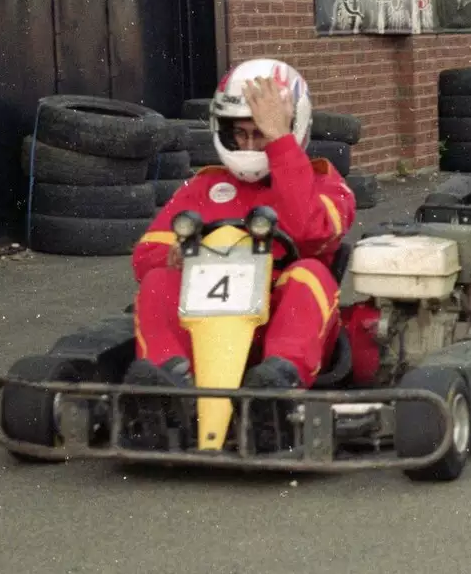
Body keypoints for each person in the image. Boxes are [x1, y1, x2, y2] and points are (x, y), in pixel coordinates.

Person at [126, 59, 356, 410]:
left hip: (279, 326)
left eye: (260, 133)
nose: (249, 147)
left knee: (310, 274)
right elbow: (145, 255)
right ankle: (167, 381)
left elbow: (311, 235)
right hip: (206, 326)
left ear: (293, 127)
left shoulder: (326, 184)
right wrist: (171, 254)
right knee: (158, 278)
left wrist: (280, 147)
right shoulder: (207, 186)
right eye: (241, 133)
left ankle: (278, 384)